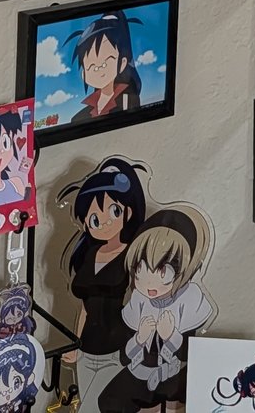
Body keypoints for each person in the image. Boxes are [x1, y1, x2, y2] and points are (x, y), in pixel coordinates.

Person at [101, 206, 213, 413]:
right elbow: (125, 356)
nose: (150, 282)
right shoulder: (139, 299)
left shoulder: (190, 299)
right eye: (141, 269)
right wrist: (139, 338)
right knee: (109, 402)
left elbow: (188, 354)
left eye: (163, 271)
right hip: (140, 373)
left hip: (173, 376)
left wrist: (171, 336)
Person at [60, 158, 148, 412]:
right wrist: (76, 344)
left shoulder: (132, 256)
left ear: (128, 212)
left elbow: (140, 304)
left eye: (114, 212)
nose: (105, 222)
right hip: (88, 348)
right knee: (87, 404)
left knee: (103, 406)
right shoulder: (90, 255)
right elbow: (85, 308)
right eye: (95, 219)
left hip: (118, 348)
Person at [68, 10, 142, 121]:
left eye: (105, 63)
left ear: (122, 63)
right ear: (84, 74)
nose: (99, 70)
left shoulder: (128, 101)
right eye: (91, 66)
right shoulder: (78, 118)